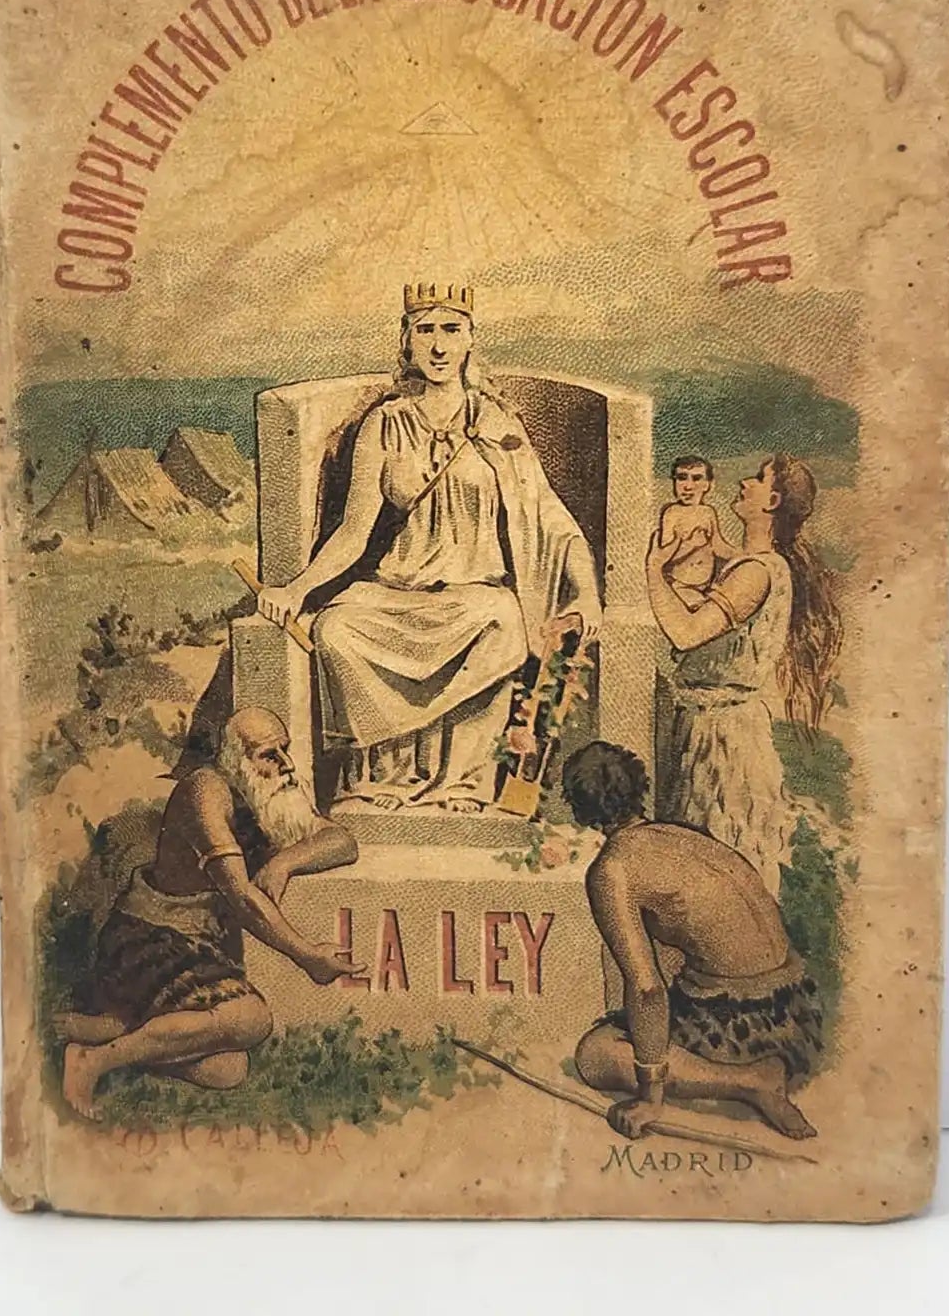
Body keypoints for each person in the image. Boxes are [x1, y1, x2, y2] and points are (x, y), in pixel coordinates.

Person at [257, 282, 601, 813]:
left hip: (474, 595)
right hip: (394, 594)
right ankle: (382, 778)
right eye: (426, 331)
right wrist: (296, 589)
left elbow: (550, 518)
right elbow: (353, 532)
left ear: (470, 339)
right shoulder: (385, 423)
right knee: (335, 629)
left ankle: (462, 781)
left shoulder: (496, 424)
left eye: (451, 330)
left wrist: (588, 592)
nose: (439, 345)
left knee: (503, 624)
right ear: (407, 340)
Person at [57, 708, 362, 1120]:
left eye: (285, 750)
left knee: (228, 1070)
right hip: (151, 939)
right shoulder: (206, 792)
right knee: (252, 1020)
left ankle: (117, 1029)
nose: (287, 764)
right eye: (269, 755)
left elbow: (342, 841)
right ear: (237, 760)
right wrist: (308, 956)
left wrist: (284, 862)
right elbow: (242, 899)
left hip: (201, 948)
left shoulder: (267, 794)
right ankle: (92, 1060)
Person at [565, 741, 822, 1141]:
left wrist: (650, 1097)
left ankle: (750, 1081)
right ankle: (755, 1072)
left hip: (742, 1028)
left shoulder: (613, 868)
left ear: (579, 808)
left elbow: (647, 989)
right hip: (798, 1013)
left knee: (594, 1055)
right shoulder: (681, 835)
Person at [645, 453, 842, 895]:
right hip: (712, 725)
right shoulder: (749, 563)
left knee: (715, 867)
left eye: (757, 479)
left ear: (772, 501)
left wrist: (654, 571)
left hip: (722, 736)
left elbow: (685, 633)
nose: (744, 484)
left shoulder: (755, 572)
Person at [655, 455, 737, 604]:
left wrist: (741, 554)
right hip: (681, 586)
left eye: (697, 478)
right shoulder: (672, 513)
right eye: (682, 478)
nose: (688, 486)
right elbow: (664, 558)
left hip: (707, 585)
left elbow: (718, 546)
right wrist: (691, 545)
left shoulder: (708, 512)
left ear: (707, 484)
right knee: (705, 611)